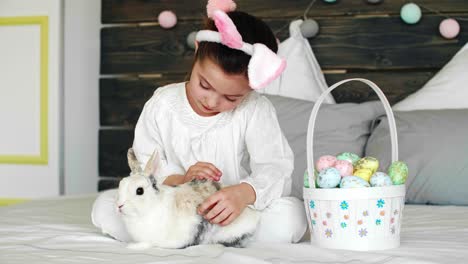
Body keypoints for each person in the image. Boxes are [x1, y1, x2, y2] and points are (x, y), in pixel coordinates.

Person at [92, 1, 307, 244]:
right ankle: (191, 238)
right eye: (205, 85)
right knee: (104, 209)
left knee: (293, 216)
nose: (213, 102)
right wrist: (181, 180)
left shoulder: (256, 109)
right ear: (196, 50)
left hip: (233, 216)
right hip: (174, 213)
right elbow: (145, 165)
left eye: (232, 97)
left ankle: (196, 239)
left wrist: (243, 194)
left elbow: (276, 167)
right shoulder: (163, 104)